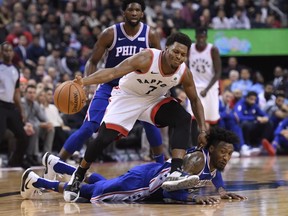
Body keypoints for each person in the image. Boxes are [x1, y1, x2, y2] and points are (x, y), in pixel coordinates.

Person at [63, 32, 208, 202]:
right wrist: (84, 82)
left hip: (152, 100)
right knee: (103, 139)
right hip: (127, 97)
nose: (179, 57)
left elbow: (195, 100)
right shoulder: (147, 57)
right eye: (176, 52)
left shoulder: (183, 72)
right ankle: (79, 174)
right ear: (166, 48)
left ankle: (175, 172)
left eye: (183, 54)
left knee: (183, 117)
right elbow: (113, 73)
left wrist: (203, 129)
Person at [58, 0, 165, 164]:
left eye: (138, 10)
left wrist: (160, 86)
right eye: (131, 10)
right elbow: (92, 61)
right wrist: (88, 85)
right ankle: (57, 162)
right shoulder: (110, 33)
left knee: (151, 122)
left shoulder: (150, 35)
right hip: (110, 86)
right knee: (89, 127)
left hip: (138, 89)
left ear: (143, 13)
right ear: (124, 12)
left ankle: (162, 165)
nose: (134, 13)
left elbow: (159, 62)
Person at [21, 127, 246, 204]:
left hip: (146, 176)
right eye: (223, 152)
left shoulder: (211, 163)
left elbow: (215, 176)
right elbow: (170, 186)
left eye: (230, 154)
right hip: (143, 184)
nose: (226, 157)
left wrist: (222, 191)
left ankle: (58, 165)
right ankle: (36, 181)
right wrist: (192, 199)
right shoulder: (197, 159)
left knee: (105, 183)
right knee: (92, 194)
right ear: (212, 150)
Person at [187, 27, 222, 146]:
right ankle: (193, 148)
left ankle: (213, 146)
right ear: (196, 37)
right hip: (195, 87)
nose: (201, 39)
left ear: (206, 37)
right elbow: (186, 67)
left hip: (210, 88)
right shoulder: (190, 49)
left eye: (203, 37)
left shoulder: (212, 49)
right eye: (199, 37)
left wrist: (207, 89)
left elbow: (218, 72)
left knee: (213, 120)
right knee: (192, 118)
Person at [0, 42, 30, 168]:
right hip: (0, 105)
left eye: (10, 50)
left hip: (11, 106)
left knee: (23, 136)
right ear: (1, 52)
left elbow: (16, 92)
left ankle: (15, 162)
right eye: (5, 50)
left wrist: (21, 110)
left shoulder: (16, 69)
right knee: (0, 134)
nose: (8, 53)